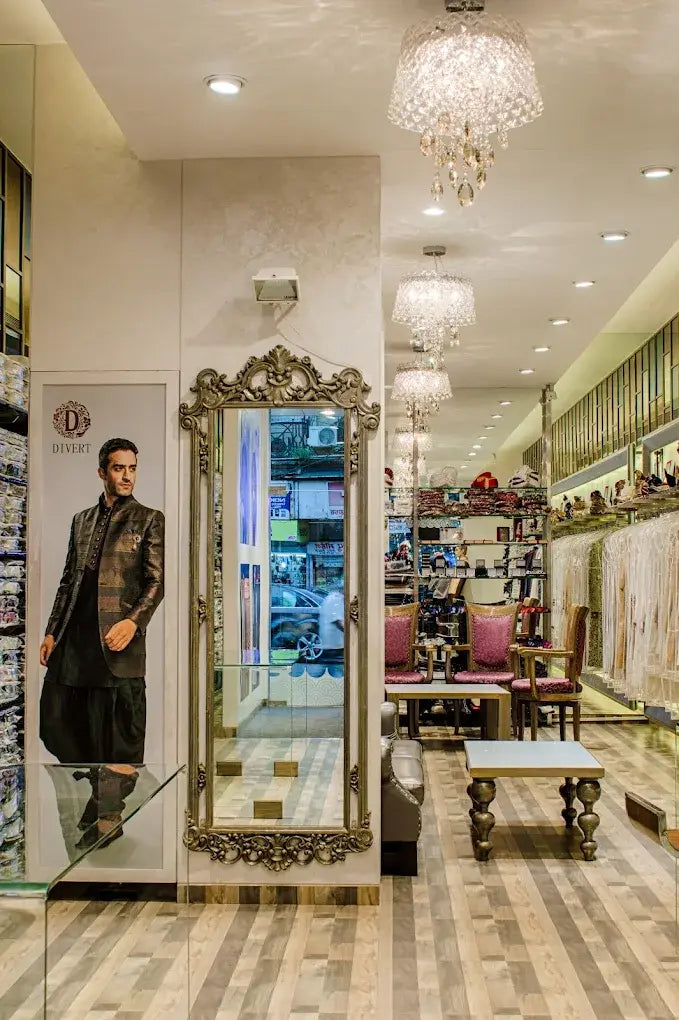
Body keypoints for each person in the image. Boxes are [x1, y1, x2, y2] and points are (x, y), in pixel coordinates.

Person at [39, 438, 164, 848]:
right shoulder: (81, 520)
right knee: (60, 723)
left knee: (119, 733)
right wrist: (52, 630)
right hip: (75, 642)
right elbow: (67, 581)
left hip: (118, 644)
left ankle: (108, 816)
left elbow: (156, 582)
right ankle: (98, 798)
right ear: (102, 472)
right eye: (118, 468)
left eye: (132, 468)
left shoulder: (149, 519)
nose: (127, 476)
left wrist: (133, 621)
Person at [318, 588, 344, 663]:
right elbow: (338, 622)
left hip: (330, 644)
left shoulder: (329, 598)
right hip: (334, 646)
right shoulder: (336, 600)